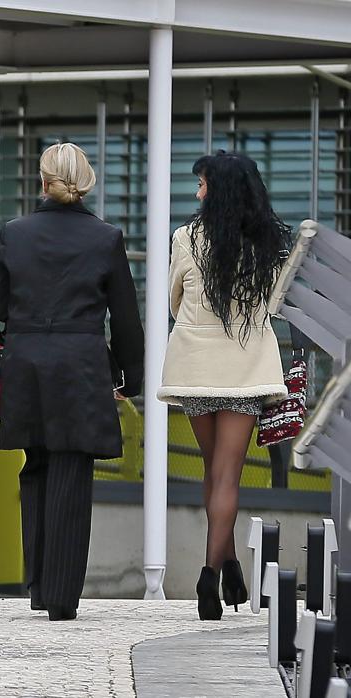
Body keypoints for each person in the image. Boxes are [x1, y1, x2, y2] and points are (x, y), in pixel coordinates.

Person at [0, 142, 144, 622]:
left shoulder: (14, 234)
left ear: (42, 181)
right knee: (72, 475)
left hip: (28, 361)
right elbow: (124, 315)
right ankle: (61, 596)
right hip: (81, 365)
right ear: (86, 182)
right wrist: (128, 376)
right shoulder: (106, 237)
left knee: (34, 465)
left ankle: (36, 584)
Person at [158, 151, 289, 621]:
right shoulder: (269, 242)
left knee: (212, 472)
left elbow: (175, 301)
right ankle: (212, 574)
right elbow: (274, 305)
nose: (197, 192)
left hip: (196, 366)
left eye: (202, 185)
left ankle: (225, 567)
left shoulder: (186, 238)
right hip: (244, 367)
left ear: (219, 189)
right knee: (227, 476)